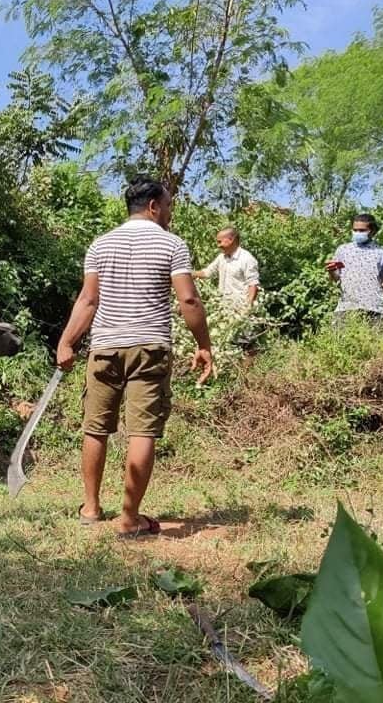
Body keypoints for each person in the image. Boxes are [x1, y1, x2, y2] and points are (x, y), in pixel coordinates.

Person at [56, 177, 213, 538]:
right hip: (149, 348)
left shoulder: (100, 244)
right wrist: (203, 344)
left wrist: (66, 342)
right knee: (143, 431)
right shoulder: (172, 245)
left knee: (96, 427)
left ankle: (91, 507)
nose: (171, 213)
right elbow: (188, 300)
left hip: (105, 347)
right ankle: (129, 518)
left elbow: (88, 301)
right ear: (154, 206)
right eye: (169, 205)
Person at [325, 213, 383, 322]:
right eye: (355, 230)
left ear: (373, 231)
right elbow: (336, 279)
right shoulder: (343, 250)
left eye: (362, 230)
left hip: (375, 309)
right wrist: (331, 271)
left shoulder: (382, 253)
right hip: (346, 307)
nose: (357, 233)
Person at [193, 227, 260, 311]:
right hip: (224, 307)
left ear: (231, 239)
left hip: (239, 308)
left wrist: (247, 308)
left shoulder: (246, 259)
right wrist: (185, 274)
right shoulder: (222, 257)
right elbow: (207, 272)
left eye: (220, 242)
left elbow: (253, 284)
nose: (218, 245)